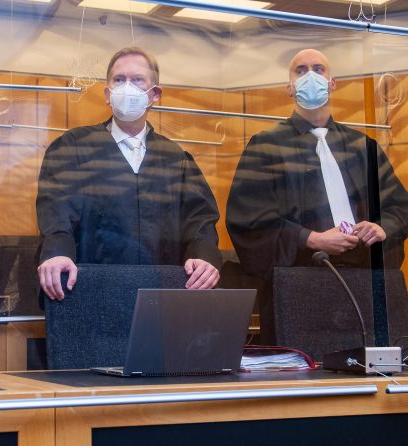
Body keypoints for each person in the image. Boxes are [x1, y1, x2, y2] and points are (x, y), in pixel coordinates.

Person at [226, 49, 408, 342]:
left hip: (366, 286)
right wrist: (311, 239)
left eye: (318, 69)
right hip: (299, 290)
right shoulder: (266, 147)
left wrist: (381, 227)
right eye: (300, 70)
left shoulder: (364, 147)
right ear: (290, 88)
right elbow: (248, 221)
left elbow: (400, 207)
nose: (310, 76)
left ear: (332, 83)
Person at [36, 47, 221, 301]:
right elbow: (56, 211)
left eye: (138, 80)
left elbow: (199, 219)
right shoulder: (73, 148)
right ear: (107, 94)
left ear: (155, 94)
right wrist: (57, 252)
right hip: (89, 292)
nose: (127, 87)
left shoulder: (175, 159)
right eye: (119, 79)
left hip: (160, 296)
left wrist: (203, 257)